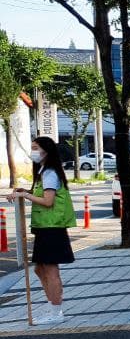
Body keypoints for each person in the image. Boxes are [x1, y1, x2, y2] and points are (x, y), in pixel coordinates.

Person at [5, 136, 77, 326]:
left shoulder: (50, 173)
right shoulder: (44, 171)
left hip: (52, 228)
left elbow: (48, 201)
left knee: (50, 270)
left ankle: (56, 311)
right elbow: (42, 194)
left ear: (46, 150)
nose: (33, 152)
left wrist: (25, 195)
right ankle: (53, 305)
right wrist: (26, 191)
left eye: (36, 148)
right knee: (40, 269)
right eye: (32, 147)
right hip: (45, 227)